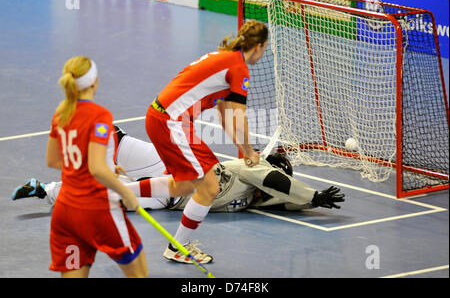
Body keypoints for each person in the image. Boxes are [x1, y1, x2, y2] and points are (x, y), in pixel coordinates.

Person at [142, 20, 269, 264]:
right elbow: (238, 117)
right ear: (259, 47)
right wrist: (251, 151)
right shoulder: (239, 68)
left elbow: (225, 116)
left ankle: (114, 194)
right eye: (264, 50)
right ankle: (178, 247)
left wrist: (241, 149)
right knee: (210, 188)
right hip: (172, 122)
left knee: (184, 186)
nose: (262, 54)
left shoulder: (225, 57)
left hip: (161, 116)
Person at [13, 128, 345, 213]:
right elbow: (270, 179)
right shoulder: (249, 171)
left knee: (107, 198)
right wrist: (312, 194)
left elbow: (283, 202)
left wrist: (309, 204)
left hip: (168, 198)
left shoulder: (256, 200)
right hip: (171, 168)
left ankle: (45, 189)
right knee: (117, 140)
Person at [44, 56, 148, 278]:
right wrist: (125, 193)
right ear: (94, 82)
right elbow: (96, 168)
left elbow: (53, 160)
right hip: (97, 210)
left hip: (65, 213)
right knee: (139, 273)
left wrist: (105, 167)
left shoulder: (61, 114)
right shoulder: (100, 116)